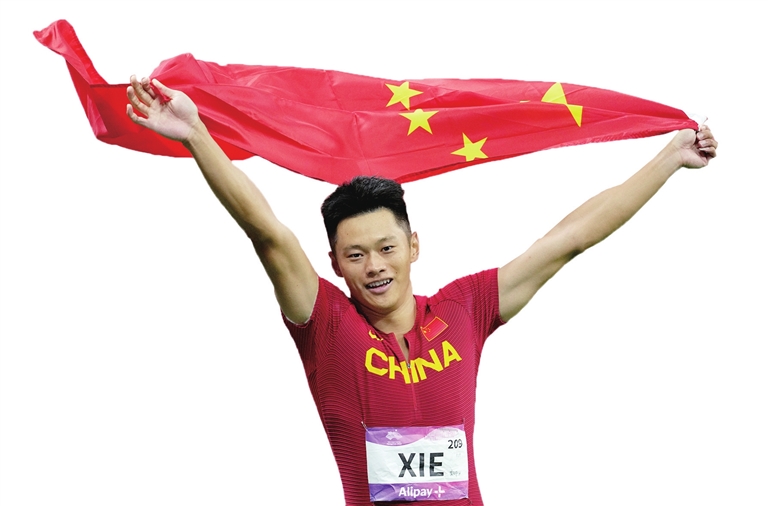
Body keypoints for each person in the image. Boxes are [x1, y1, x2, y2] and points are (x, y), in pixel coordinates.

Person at [126, 75, 718, 505]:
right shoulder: (327, 325)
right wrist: (197, 135)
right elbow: (269, 235)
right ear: (335, 264)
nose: (374, 267)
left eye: (387, 248)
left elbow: (569, 239)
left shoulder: (466, 308)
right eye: (355, 255)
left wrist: (669, 158)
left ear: (413, 246)